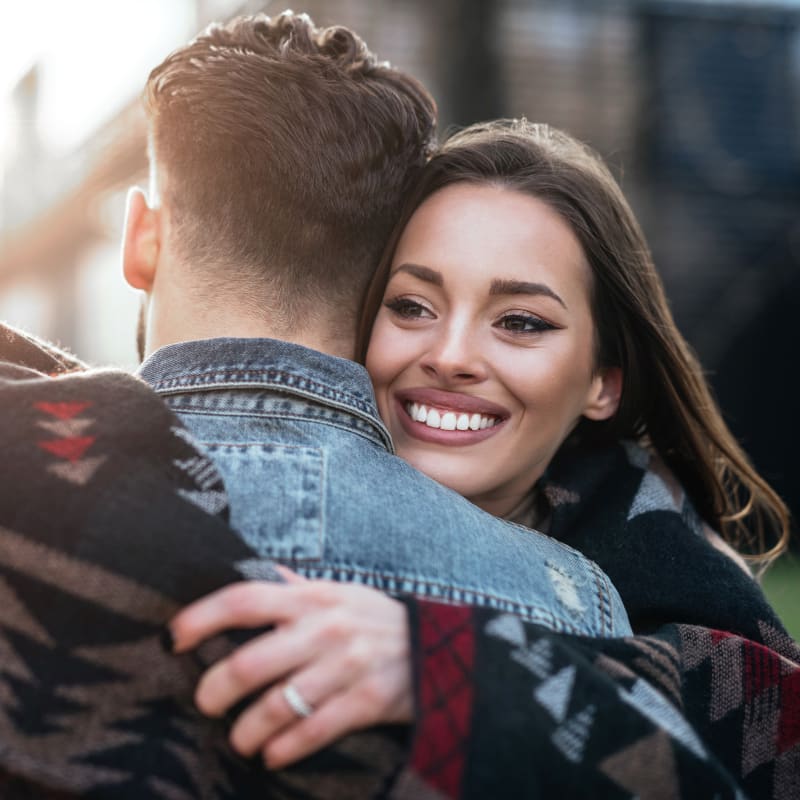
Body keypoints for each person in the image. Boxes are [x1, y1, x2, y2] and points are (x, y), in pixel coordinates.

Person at [170, 120, 798, 798]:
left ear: (603, 381)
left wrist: (463, 669)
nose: (451, 355)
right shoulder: (232, 495)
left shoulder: (684, 592)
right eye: (411, 306)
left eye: (521, 321)